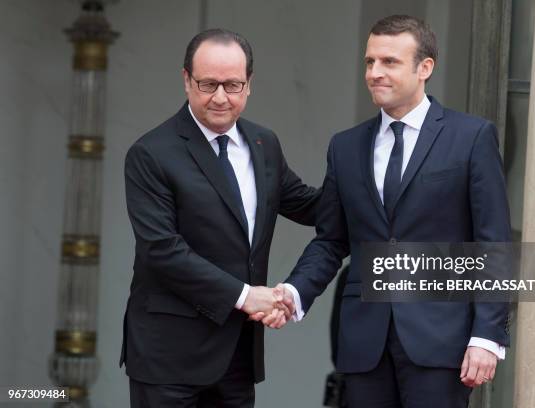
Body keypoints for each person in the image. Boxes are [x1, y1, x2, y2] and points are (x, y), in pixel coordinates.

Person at [274, 15, 511, 408]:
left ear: (425, 68)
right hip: (365, 344)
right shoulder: (345, 147)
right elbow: (332, 240)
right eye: (370, 62)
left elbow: (493, 243)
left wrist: (487, 336)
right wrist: (294, 291)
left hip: (442, 342)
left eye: (389, 62)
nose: (374, 73)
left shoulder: (471, 137)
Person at [120, 28, 319, 407]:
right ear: (186, 80)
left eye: (232, 84)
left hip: (237, 356)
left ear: (249, 85)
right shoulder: (151, 153)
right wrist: (246, 297)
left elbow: (308, 205)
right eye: (208, 84)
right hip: (168, 359)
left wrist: (371, 185)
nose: (220, 97)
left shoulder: (264, 144)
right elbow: (162, 250)